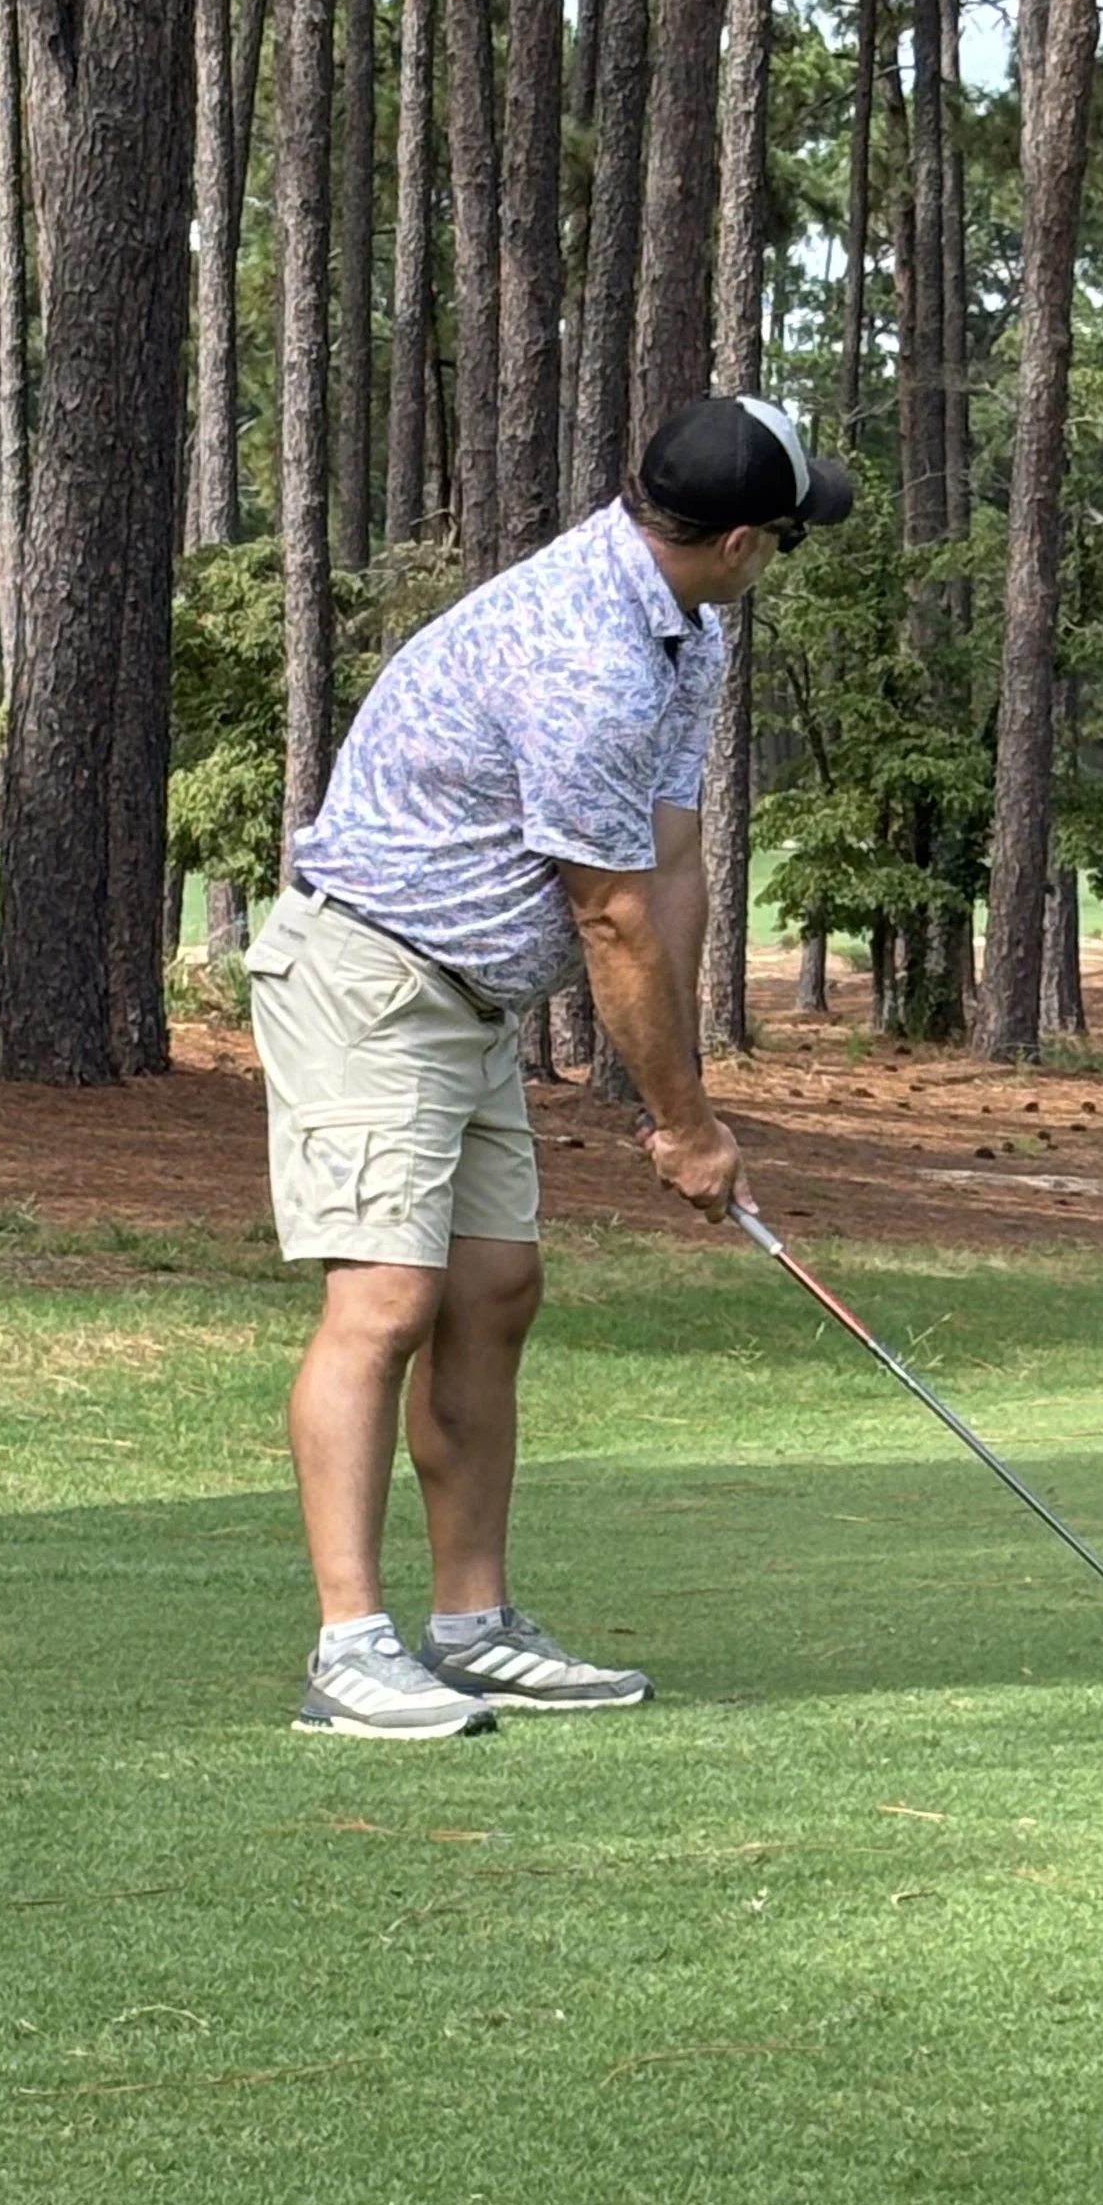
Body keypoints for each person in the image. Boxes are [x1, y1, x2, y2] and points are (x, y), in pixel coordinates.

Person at [245, 394, 856, 1737]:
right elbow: (610, 915)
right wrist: (688, 1131)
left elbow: (670, 860)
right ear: (747, 539)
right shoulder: (590, 654)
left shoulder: (682, 627)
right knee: (387, 1303)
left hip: (468, 1003)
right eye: (789, 541)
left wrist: (673, 1086)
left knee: (494, 1289)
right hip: (370, 976)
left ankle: (472, 1622)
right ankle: (350, 1650)